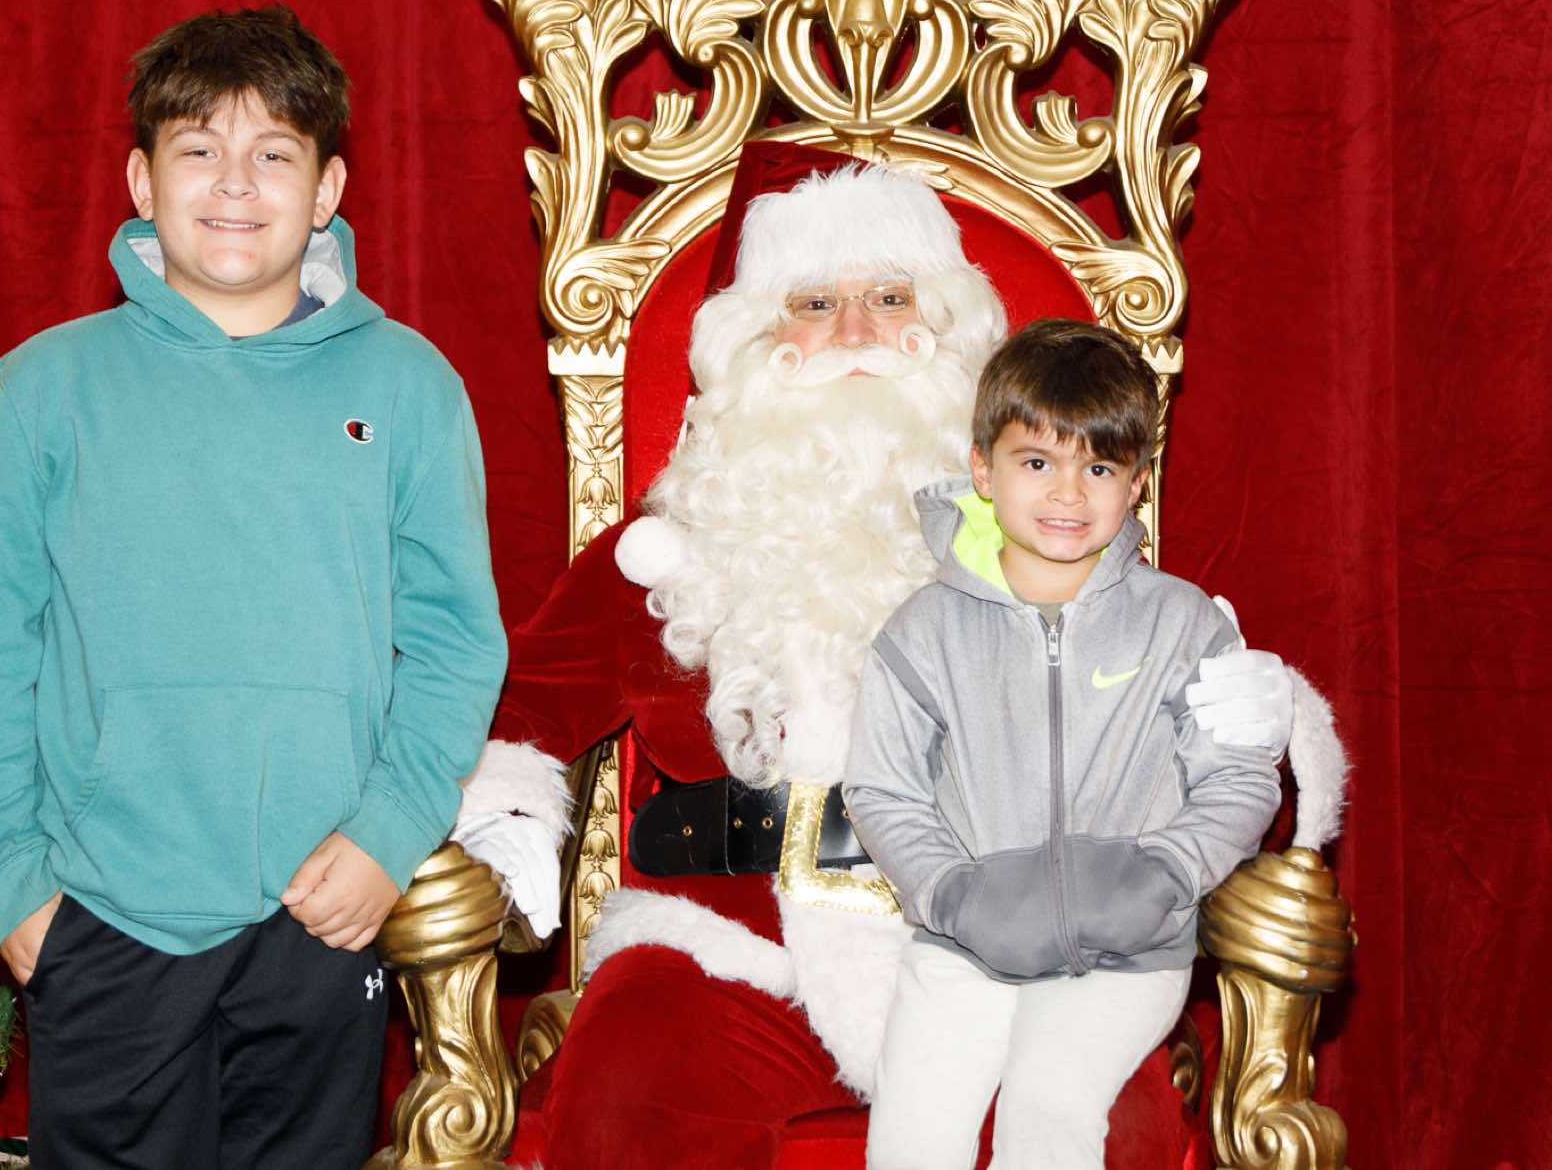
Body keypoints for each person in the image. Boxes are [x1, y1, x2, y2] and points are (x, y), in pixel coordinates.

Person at [459, 140, 1297, 1170]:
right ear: (752, 343)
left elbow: (1200, 756)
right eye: (814, 304)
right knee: (628, 1093)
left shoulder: (1051, 536)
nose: (856, 334)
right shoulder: (670, 547)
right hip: (727, 954)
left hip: (1004, 942)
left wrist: (1245, 722)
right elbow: (518, 708)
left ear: (948, 327)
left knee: (1105, 1124)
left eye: (891, 298)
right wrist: (502, 827)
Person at [0, 6, 507, 1170]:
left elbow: (454, 645)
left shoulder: (409, 387)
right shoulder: (42, 389)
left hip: (322, 908)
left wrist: (386, 837)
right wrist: (12, 886)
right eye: (197, 149)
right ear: (142, 181)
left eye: (274, 154)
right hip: (99, 914)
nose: (234, 184)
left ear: (327, 188)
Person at [843, 319, 1283, 1170]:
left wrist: (1163, 874)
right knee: (911, 1140)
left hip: (1127, 951)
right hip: (963, 944)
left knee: (1047, 1110)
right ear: (984, 468)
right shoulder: (922, 631)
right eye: (1037, 462)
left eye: (1100, 468)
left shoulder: (1183, 623)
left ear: (1137, 482)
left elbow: (1239, 778)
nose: (1069, 495)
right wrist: (955, 894)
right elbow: (883, 790)